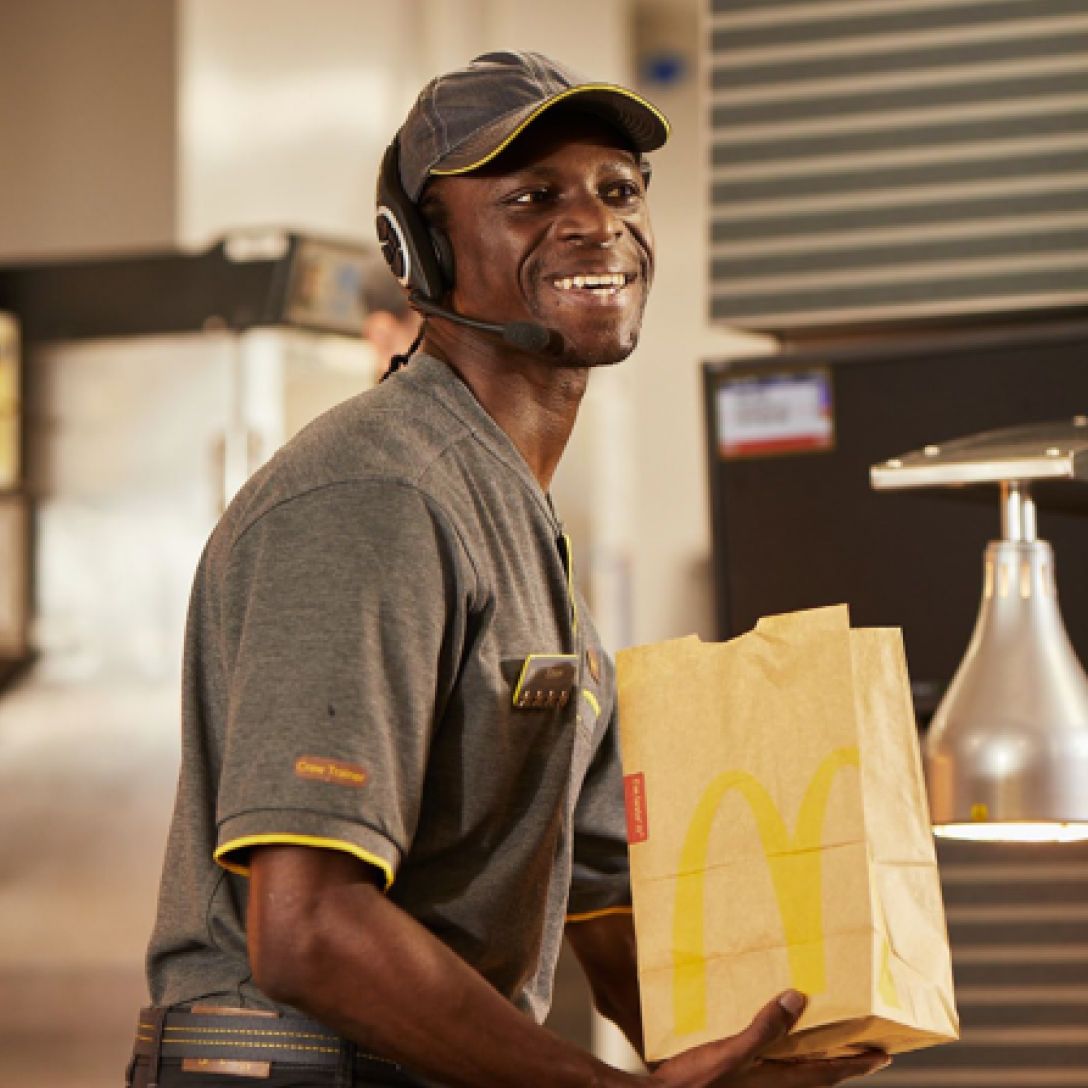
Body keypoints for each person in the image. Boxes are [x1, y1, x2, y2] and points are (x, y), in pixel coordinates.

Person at [128, 51, 891, 1088]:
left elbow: (594, 890)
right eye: (532, 196)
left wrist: (746, 1042)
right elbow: (308, 930)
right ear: (419, 252)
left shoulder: (518, 528)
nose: (595, 223)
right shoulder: (378, 494)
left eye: (618, 190)